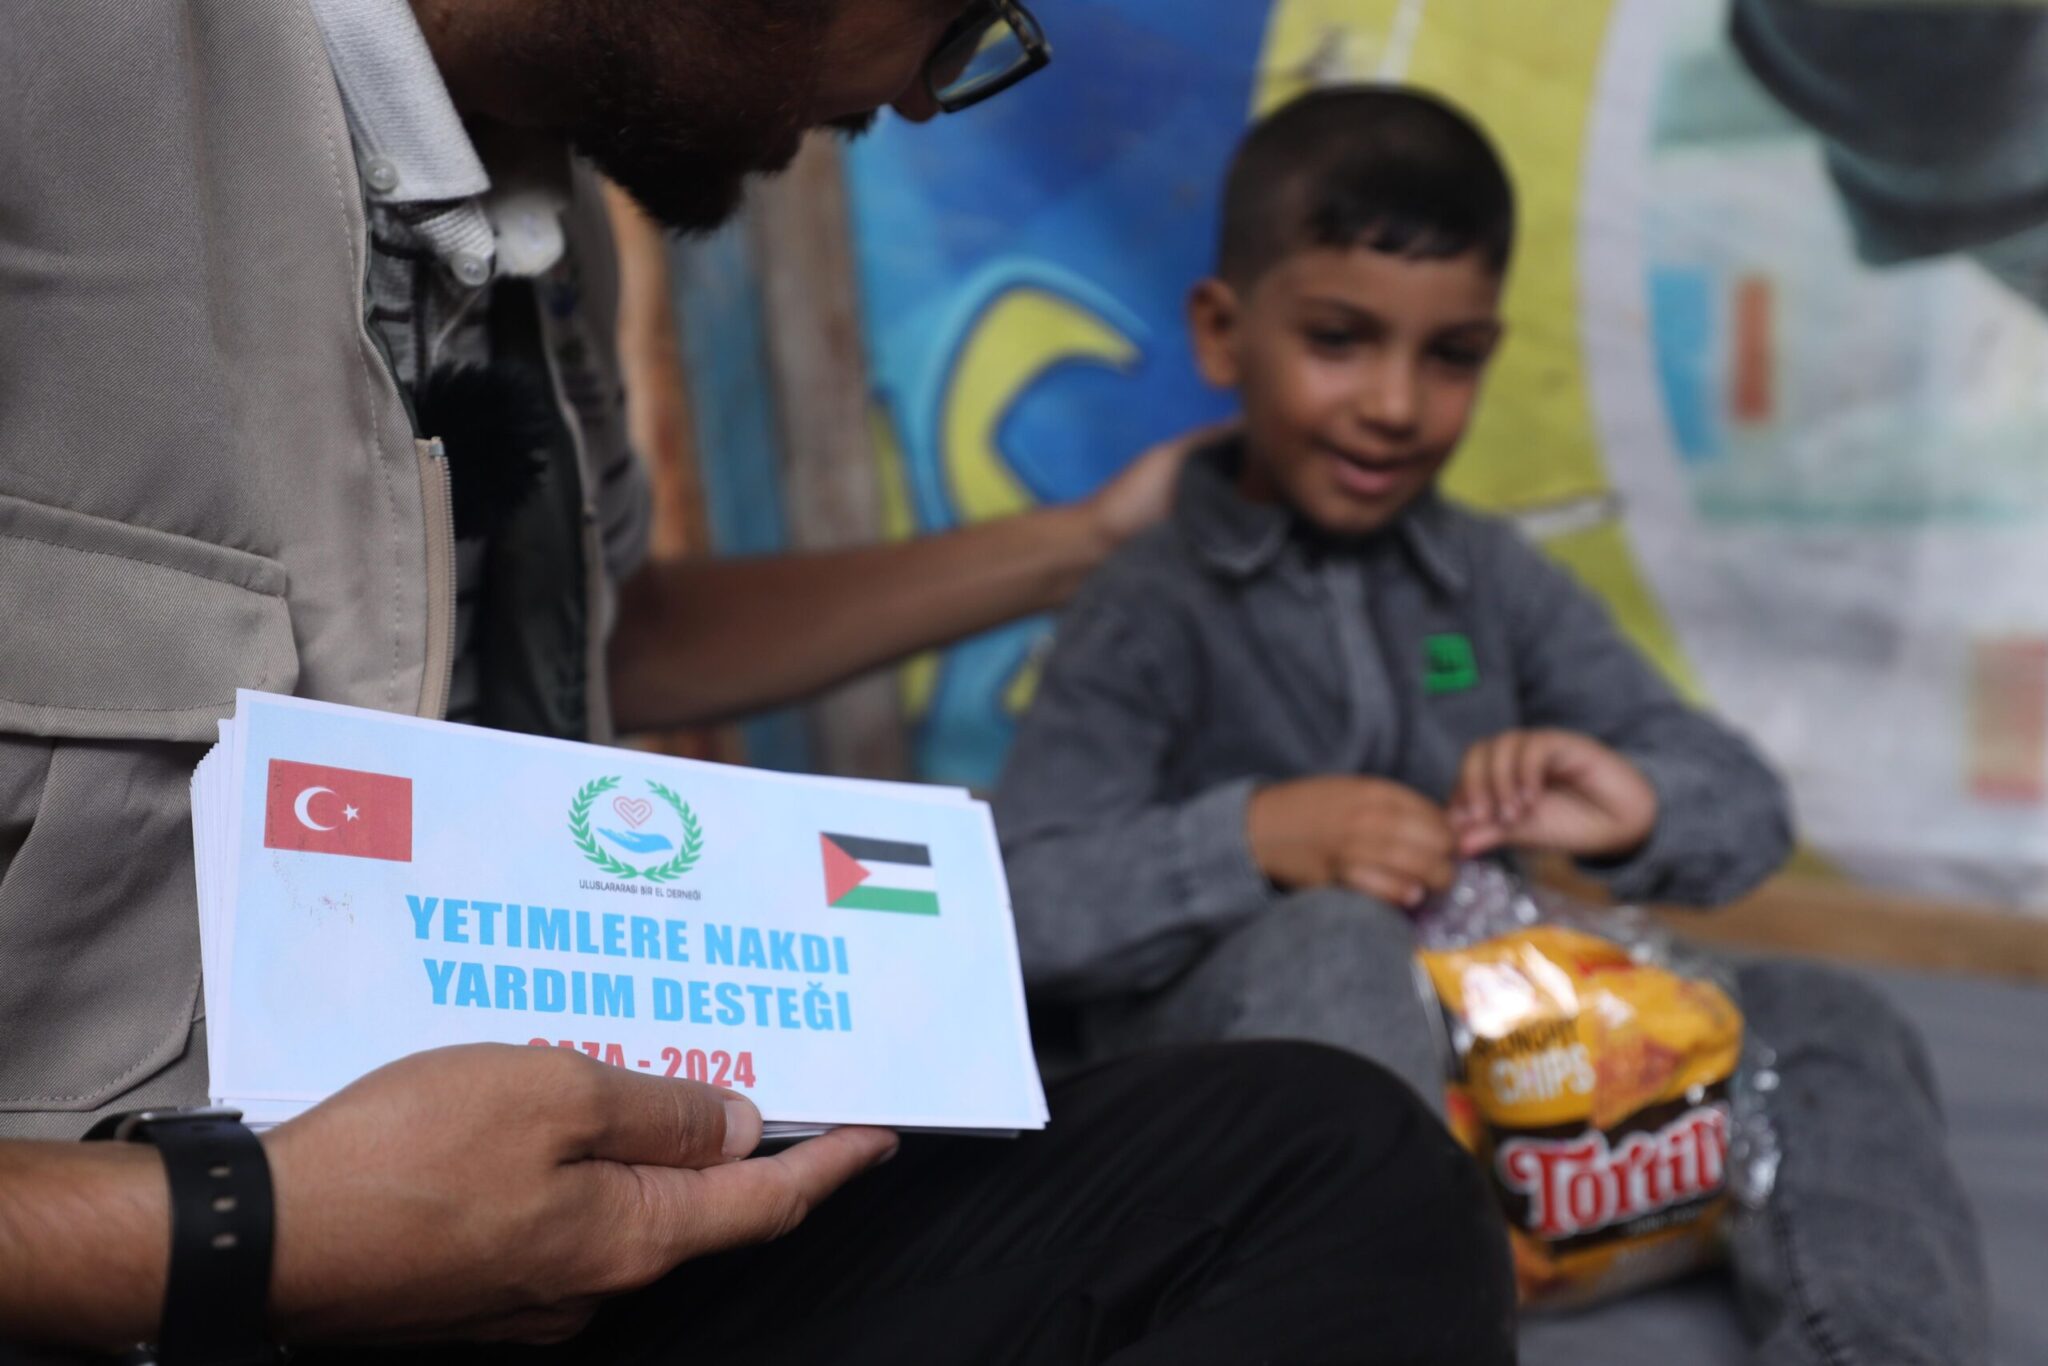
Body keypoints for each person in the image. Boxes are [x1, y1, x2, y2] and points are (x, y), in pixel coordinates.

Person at [0, 1, 1517, 1360]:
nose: (923, 92)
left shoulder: (535, 202)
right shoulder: (57, 74)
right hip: (179, 1273)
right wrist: (243, 1227)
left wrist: (1084, 542)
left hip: (557, 1219)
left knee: (1337, 1171)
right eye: (948, 12)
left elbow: (613, 637)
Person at [995, 86, 1988, 1365]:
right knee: (1335, 937)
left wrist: (1633, 803)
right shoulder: (1148, 607)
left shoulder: (1492, 581)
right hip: (1263, 1110)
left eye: (1449, 356)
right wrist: (1250, 839)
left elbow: (1743, 807)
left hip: (1520, 1090)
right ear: (1223, 334)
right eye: (1340, 340)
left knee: (1828, 1018)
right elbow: (1018, 905)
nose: (1394, 403)